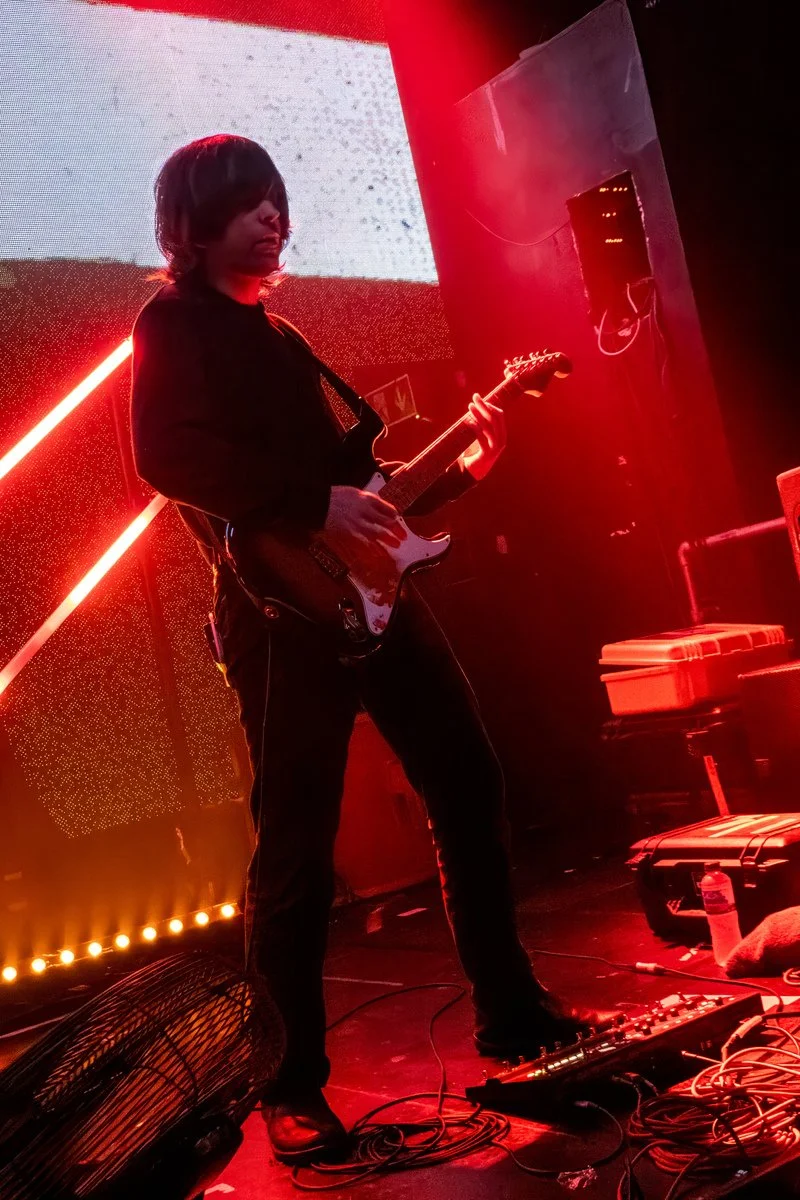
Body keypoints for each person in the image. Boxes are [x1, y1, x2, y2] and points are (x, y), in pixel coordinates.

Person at [130, 134, 612, 1165]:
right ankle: (287, 1088)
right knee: (296, 848)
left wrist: (469, 462)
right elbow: (164, 455)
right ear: (195, 220)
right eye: (248, 202)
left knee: (468, 779)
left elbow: (369, 505)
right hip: (276, 616)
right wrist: (313, 501)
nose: (272, 216)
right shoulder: (174, 321)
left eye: (276, 199)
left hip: (372, 604)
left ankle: (511, 1014)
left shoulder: (282, 335)